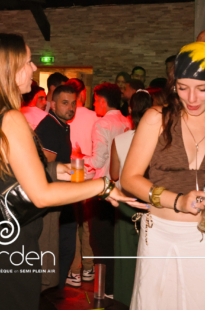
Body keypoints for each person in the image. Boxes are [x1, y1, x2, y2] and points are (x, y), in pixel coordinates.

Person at [0, 33, 147, 310]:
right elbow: (41, 195)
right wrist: (103, 186)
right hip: (5, 241)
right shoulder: (10, 118)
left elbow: (1, 171)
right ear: (9, 69)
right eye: (27, 61)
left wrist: (54, 169)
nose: (34, 68)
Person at [122, 42, 205, 309]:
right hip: (161, 236)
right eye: (183, 88)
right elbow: (129, 179)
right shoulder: (157, 118)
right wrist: (178, 201)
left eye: (202, 89)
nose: (192, 98)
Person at [109, 90, 154, 308]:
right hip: (151, 201)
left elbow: (114, 175)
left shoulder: (120, 139)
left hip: (126, 202)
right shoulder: (160, 139)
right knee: (150, 257)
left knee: (125, 258)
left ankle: (124, 302)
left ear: (130, 110)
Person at [87, 82, 131, 298]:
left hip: (103, 190)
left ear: (103, 102)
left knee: (99, 242)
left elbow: (98, 159)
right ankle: (116, 288)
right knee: (116, 242)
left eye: (96, 101)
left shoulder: (102, 123)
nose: (94, 104)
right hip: (123, 189)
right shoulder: (127, 121)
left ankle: (104, 290)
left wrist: (78, 158)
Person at [35, 85, 80, 289]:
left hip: (61, 197)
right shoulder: (50, 127)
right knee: (58, 247)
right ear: (52, 105)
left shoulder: (61, 125)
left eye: (73, 103)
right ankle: (50, 290)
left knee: (65, 246)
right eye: (65, 103)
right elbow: (46, 168)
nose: (71, 108)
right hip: (53, 199)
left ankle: (53, 289)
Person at [63, 78, 98, 286]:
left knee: (72, 225)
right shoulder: (95, 117)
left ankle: (74, 270)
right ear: (83, 93)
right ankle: (89, 267)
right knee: (87, 225)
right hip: (91, 176)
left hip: (69, 175)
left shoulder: (66, 116)